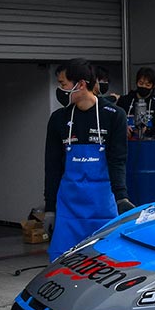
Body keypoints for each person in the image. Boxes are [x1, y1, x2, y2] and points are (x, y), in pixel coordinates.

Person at [45, 59, 134, 260]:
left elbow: (117, 160)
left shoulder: (114, 116)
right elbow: (51, 167)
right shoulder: (58, 119)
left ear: (81, 84)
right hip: (69, 209)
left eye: (63, 84)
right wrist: (50, 208)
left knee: (108, 259)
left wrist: (121, 197)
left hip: (103, 205)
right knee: (63, 262)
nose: (61, 90)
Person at [117, 66, 155, 138]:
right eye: (141, 83)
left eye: (147, 85)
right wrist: (123, 128)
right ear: (136, 82)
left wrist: (147, 130)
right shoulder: (124, 100)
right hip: (127, 141)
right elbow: (116, 121)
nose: (143, 86)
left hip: (149, 142)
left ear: (153, 86)